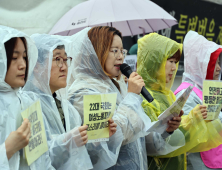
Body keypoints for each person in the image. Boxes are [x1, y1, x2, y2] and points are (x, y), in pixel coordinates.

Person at [68, 26, 185, 170]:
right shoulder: (82, 91)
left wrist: (166, 128)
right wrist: (131, 96)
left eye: (122, 51)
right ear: (96, 51)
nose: (120, 57)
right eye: (114, 50)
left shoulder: (118, 86)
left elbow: (141, 138)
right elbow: (110, 139)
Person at [137, 32, 222, 170]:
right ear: (154, 61)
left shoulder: (168, 95)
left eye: (176, 62)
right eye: (170, 61)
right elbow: (154, 144)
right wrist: (192, 120)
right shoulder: (141, 96)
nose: (174, 67)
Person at [22, 33, 93, 170]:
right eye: (57, 59)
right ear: (36, 66)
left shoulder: (68, 109)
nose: (64, 67)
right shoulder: (27, 104)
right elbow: (34, 157)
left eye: (66, 59)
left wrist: (94, 139)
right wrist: (66, 142)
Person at [0, 25, 55, 169]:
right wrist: (8, 148)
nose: (23, 65)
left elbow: (43, 156)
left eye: (24, 57)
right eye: (14, 57)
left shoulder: (29, 101)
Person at [174, 30, 222, 170]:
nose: (219, 68)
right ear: (201, 63)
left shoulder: (206, 89)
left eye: (219, 63)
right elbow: (187, 135)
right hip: (198, 164)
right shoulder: (186, 93)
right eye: (214, 63)